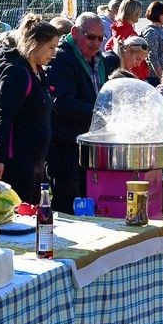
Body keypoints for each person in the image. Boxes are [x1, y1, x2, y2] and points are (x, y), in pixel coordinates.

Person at [0, 16, 60, 202]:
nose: (53, 54)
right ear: (35, 43)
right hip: (17, 164)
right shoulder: (17, 72)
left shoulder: (38, 72)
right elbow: (3, 117)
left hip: (35, 163)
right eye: (51, 47)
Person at [45, 13, 112, 209]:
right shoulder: (62, 58)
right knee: (68, 204)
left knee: (87, 202)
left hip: (88, 145)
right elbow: (63, 103)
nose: (96, 43)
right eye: (90, 37)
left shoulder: (99, 60)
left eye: (100, 38)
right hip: (65, 146)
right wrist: (100, 115)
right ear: (75, 32)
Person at [141, 1, 163, 79]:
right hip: (156, 77)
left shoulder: (162, 29)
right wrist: (161, 77)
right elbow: (153, 57)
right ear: (157, 14)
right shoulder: (151, 32)